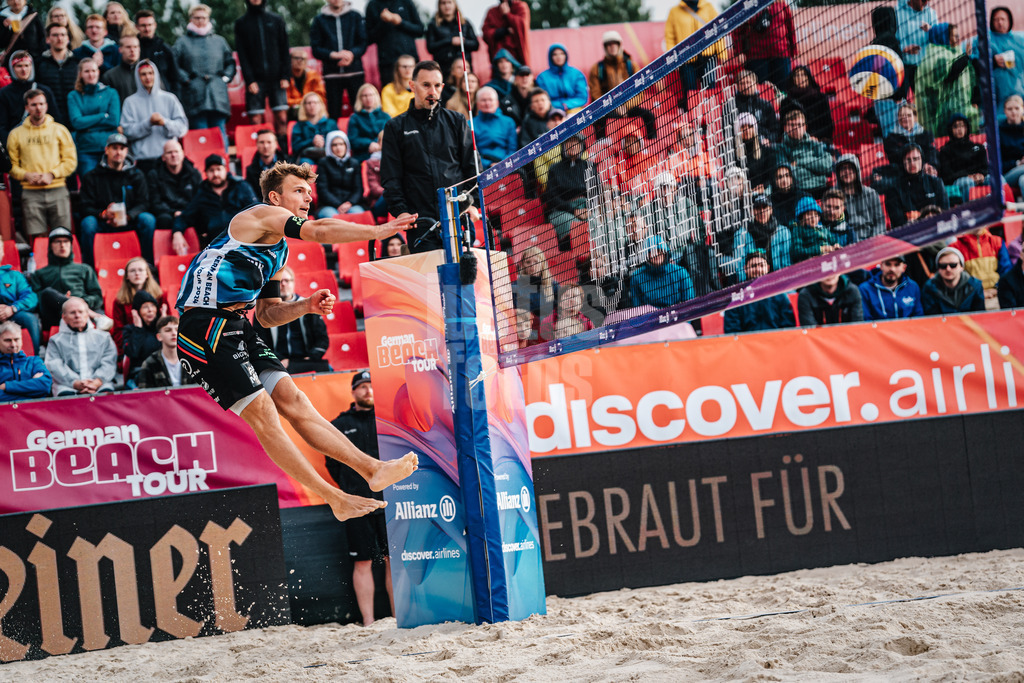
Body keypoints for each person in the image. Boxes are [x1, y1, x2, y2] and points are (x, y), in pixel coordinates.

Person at [175, 161, 419, 521]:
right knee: (264, 414)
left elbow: (267, 314)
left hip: (238, 324)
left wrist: (304, 306)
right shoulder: (259, 215)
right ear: (276, 197)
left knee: (294, 399)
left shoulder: (279, 251)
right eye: (299, 191)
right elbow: (319, 231)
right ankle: (332, 496)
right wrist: (379, 231)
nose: (308, 197)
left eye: (309, 191)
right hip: (202, 326)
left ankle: (371, 470)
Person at [380, 60, 477, 253]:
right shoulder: (395, 127)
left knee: (461, 280)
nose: (432, 91)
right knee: (430, 280)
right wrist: (401, 212)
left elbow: (473, 168)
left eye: (436, 85)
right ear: (412, 86)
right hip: (420, 222)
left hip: (457, 215)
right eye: (426, 85)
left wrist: (470, 202)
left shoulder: (457, 121)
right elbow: (391, 177)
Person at [326, 371, 393, 624]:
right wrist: (350, 488)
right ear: (353, 391)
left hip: (391, 502)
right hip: (356, 506)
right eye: (362, 386)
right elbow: (332, 465)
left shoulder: (388, 420)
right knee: (362, 563)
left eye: (371, 386)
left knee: (393, 562)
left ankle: (399, 619)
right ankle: (368, 623)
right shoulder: (339, 425)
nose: (368, 391)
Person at [7, 88, 76, 240]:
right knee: (38, 237)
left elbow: (71, 161)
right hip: (31, 192)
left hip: (57, 188)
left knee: (63, 235)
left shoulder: (60, 130)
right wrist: (25, 175)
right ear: (26, 107)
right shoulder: (16, 134)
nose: (38, 108)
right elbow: (10, 165)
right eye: (33, 105)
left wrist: (52, 174)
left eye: (41, 104)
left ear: (46, 105)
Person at [79, 132, 155, 264]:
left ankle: (148, 265)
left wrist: (129, 216)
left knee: (147, 220)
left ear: (126, 151)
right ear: (106, 150)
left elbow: (143, 203)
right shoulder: (92, 176)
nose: (118, 152)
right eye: (114, 148)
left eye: (122, 148)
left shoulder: (136, 175)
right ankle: (89, 269)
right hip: (103, 222)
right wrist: (103, 214)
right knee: (88, 223)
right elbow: (85, 206)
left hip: (129, 220)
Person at [173, 4, 236, 153]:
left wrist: (224, 79)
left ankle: (223, 167)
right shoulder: (182, 42)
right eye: (197, 18)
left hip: (217, 95)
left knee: (220, 133)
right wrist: (187, 80)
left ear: (209, 19)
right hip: (194, 95)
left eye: (203, 17)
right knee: (200, 134)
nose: (200, 21)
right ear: (191, 19)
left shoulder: (220, 41)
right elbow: (174, 65)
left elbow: (230, 63)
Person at [173, 154, 260, 250]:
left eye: (219, 169)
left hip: (243, 241)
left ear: (226, 170)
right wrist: (177, 233)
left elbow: (256, 210)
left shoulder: (241, 186)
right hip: (216, 246)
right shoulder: (202, 193)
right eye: (211, 170)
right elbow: (185, 216)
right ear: (206, 173)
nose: (215, 174)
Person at [253, 266, 331, 374]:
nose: (283, 284)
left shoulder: (309, 306)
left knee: (325, 368)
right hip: (277, 361)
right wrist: (278, 359)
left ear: (293, 283)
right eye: (279, 282)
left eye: (286, 281)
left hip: (305, 361)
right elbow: (260, 342)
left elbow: (322, 339)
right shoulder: (263, 311)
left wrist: (310, 357)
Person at [28, 227, 108, 332]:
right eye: (58, 242)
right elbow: (38, 300)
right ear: (50, 246)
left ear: (71, 245)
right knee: (47, 293)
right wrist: (62, 300)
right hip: (55, 315)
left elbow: (97, 297)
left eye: (66, 242)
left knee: (77, 307)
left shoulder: (85, 269)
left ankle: (80, 308)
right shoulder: (39, 274)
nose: (62, 245)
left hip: (81, 313)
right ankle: (92, 315)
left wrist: (82, 301)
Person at [120, 60, 188, 174]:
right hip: (143, 160)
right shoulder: (130, 102)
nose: (148, 77)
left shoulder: (170, 99)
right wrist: (148, 123)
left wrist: (165, 122)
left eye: (151, 73)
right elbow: (127, 131)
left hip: (167, 160)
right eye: (143, 74)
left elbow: (182, 128)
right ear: (138, 77)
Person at [235, 0, 290, 138]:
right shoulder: (241, 23)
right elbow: (242, 55)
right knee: (255, 120)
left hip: (277, 78)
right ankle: (258, 153)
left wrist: (285, 75)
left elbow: (285, 49)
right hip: (256, 80)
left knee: (282, 118)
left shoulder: (276, 20)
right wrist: (250, 80)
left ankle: (283, 153)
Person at [45, 296, 117, 396]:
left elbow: (109, 362)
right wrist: (75, 383)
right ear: (64, 317)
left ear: (87, 314)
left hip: (100, 384)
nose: (77, 316)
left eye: (81, 312)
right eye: (72, 313)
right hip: (68, 386)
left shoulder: (104, 337)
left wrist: (97, 382)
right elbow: (54, 365)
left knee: (107, 397)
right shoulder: (56, 341)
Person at [917, 23, 979, 135]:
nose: (958, 39)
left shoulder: (953, 52)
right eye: (954, 36)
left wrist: (974, 100)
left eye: (958, 35)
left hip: (959, 106)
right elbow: (949, 75)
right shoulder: (937, 55)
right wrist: (965, 57)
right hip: (943, 111)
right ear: (944, 37)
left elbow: (970, 78)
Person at [309, 0, 367, 120]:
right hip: (332, 75)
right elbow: (316, 49)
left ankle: (361, 138)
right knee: (333, 113)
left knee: (361, 112)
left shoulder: (355, 16)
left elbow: (363, 43)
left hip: (355, 72)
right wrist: (333, 55)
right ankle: (334, 138)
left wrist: (351, 54)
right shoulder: (319, 20)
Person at [543, 134, 597, 250]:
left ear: (582, 146)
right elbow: (552, 198)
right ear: (563, 146)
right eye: (569, 142)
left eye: (576, 142)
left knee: (599, 221)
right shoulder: (554, 169)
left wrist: (590, 209)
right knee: (572, 225)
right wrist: (573, 210)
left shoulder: (589, 166)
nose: (572, 145)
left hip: (587, 207)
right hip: (562, 209)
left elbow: (595, 192)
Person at [67, 58, 120, 176]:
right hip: (86, 149)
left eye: (93, 71)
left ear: (98, 72)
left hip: (108, 148)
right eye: (87, 71)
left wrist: (88, 126)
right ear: (80, 74)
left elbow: (114, 121)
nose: (91, 74)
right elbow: (76, 122)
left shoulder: (111, 93)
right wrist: (102, 116)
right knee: (89, 185)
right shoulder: (74, 96)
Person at [723, 251, 796, 332]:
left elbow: (789, 326)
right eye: (753, 266)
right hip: (747, 344)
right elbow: (732, 332)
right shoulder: (737, 300)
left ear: (768, 268)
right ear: (745, 269)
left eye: (761, 265)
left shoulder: (779, 295)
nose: (757, 269)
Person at [665, 0, 724, 98]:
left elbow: (718, 30)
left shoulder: (709, 7)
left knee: (710, 89)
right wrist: (673, 61)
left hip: (708, 56)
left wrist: (722, 54)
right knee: (690, 92)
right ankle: (693, 112)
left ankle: (711, 112)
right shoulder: (674, 12)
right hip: (686, 58)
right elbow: (670, 37)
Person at [0, 52, 62, 143]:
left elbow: (56, 119)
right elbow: (2, 125)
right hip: (18, 142)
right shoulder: (4, 93)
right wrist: (9, 145)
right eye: (19, 66)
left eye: (27, 65)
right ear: (12, 69)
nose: (24, 70)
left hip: (44, 141)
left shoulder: (45, 91)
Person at [734, 1, 797, 88]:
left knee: (784, 87)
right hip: (756, 56)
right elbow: (737, 31)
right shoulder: (748, 4)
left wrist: (794, 49)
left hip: (781, 53)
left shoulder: (781, 4)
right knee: (761, 89)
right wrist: (739, 52)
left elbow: (790, 27)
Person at [111, 255, 165, 355]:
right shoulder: (120, 301)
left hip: (157, 343)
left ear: (147, 274)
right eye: (132, 271)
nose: (137, 273)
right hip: (134, 344)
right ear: (127, 276)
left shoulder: (160, 296)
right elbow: (118, 332)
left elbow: (168, 322)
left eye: (140, 270)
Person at [886, 143, 949, 228]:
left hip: (937, 228)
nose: (912, 163)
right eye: (908, 160)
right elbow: (898, 222)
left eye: (915, 159)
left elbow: (945, 212)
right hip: (910, 234)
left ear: (922, 160)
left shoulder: (936, 182)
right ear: (902, 162)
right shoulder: (893, 189)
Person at [149, 139, 203, 233]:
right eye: (169, 152)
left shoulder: (194, 174)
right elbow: (155, 202)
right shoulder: (154, 175)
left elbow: (199, 199)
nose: (173, 155)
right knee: (163, 219)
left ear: (182, 154)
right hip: (168, 213)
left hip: (190, 212)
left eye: (176, 152)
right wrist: (174, 212)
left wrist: (186, 212)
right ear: (163, 157)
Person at [365, 0, 423, 86]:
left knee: (413, 93)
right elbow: (369, 38)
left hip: (409, 61)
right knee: (389, 93)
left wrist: (400, 22)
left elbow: (420, 30)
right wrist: (383, 22)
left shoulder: (407, 2)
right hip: (387, 63)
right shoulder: (372, 5)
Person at [777, 108, 832, 198]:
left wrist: (799, 162)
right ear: (785, 128)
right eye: (792, 125)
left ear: (805, 127)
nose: (796, 128)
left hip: (821, 190)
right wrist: (816, 170)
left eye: (799, 125)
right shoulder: (781, 148)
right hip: (796, 193)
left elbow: (827, 166)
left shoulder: (814, 144)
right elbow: (790, 175)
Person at [628, 236, 695, 309]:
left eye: (659, 250)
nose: (656, 255)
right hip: (651, 319)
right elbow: (637, 309)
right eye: (652, 252)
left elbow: (689, 304)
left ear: (665, 252)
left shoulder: (680, 272)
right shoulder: (637, 278)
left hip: (678, 318)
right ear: (647, 255)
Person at [0, 234, 40, 352]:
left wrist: (12, 309)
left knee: (29, 319)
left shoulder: (14, 275)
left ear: (2, 252)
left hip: (12, 314)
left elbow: (31, 297)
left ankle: (34, 361)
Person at [735, 192, 791, 276]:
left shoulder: (783, 232)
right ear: (752, 211)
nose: (762, 211)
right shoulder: (741, 234)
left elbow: (786, 263)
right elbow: (739, 266)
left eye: (765, 207)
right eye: (757, 208)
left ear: (771, 209)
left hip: (778, 280)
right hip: (751, 281)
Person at [939, 113, 990, 203]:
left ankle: (1002, 206)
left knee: (995, 178)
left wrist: (982, 174)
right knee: (966, 182)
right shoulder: (945, 151)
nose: (960, 129)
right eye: (956, 127)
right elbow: (947, 176)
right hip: (959, 181)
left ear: (967, 128)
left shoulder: (978, 147)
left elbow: (985, 167)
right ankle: (968, 210)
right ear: (950, 129)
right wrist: (968, 176)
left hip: (978, 177)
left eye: (963, 126)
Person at [951, 228, 1012, 302]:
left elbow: (1006, 271)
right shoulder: (955, 247)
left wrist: (999, 289)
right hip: (970, 297)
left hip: (997, 293)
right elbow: (954, 278)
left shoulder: (997, 242)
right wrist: (978, 292)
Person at [834, 154, 886, 241]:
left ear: (857, 170)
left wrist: (873, 241)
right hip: (846, 241)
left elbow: (880, 223)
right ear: (838, 173)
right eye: (843, 169)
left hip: (871, 240)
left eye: (850, 168)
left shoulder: (871, 193)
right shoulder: (834, 196)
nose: (847, 172)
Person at [922, 245, 986, 314]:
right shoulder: (929, 287)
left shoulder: (975, 285)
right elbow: (932, 317)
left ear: (961, 267)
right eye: (943, 266)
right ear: (938, 269)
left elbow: (980, 315)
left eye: (953, 265)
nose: (948, 269)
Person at [136, 315, 195, 389]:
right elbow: (145, 395)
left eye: (177, 329)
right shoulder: (150, 363)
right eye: (168, 330)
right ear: (159, 337)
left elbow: (202, 392)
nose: (174, 333)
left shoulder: (193, 361)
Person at [35, 22, 76, 126]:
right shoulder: (39, 64)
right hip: (49, 122)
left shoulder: (77, 63)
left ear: (68, 38)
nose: (59, 38)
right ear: (48, 39)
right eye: (55, 35)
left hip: (75, 121)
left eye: (63, 35)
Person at [859, 255, 924, 320]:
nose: (892, 269)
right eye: (888, 264)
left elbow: (918, 316)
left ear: (904, 268)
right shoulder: (865, 289)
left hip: (907, 329)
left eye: (896, 265)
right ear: (881, 266)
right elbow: (865, 320)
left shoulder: (912, 287)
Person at [0, 320, 51, 402]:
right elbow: (40, 392)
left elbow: (45, 386)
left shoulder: (34, 361)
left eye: (16, 339)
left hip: (33, 412)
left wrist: (6, 386)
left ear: (21, 340)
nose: (13, 345)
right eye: (8, 340)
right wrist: (32, 388)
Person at [426, 0, 479, 79]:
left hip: (464, 67)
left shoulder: (465, 23)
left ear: (455, 4)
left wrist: (463, 42)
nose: (447, 6)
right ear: (439, 6)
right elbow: (430, 47)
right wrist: (450, 41)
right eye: (443, 3)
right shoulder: (433, 25)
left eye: (449, 2)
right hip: (444, 68)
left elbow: (476, 45)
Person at [780, 68, 832, 145]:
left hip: (818, 141)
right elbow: (782, 127)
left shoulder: (821, 98)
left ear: (808, 78)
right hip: (793, 142)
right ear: (793, 79)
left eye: (803, 75)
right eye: (797, 75)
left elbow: (828, 125)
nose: (800, 78)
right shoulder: (786, 102)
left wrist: (815, 137)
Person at [135, 10, 181, 99]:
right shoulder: (132, 47)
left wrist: (175, 99)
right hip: (138, 96)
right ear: (137, 27)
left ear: (155, 25)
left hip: (163, 96)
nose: (147, 29)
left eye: (150, 25)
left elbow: (175, 78)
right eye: (143, 25)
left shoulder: (165, 49)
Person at [317, 131, 365, 216]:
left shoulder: (354, 163)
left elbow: (358, 189)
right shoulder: (323, 163)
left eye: (341, 144)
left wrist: (349, 203)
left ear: (346, 145)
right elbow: (323, 190)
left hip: (351, 205)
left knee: (359, 215)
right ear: (329, 146)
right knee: (332, 218)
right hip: (329, 206)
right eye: (334, 145)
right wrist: (338, 204)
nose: (338, 147)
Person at [989, 7, 1024, 123]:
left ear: (1009, 21)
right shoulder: (986, 41)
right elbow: (976, 63)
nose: (1000, 22)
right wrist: (992, 61)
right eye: (996, 20)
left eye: (1003, 19)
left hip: (1019, 91)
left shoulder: (1019, 41)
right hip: (998, 94)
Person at [896, 0, 939, 93]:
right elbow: (891, 40)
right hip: (902, 66)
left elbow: (939, 40)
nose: (926, 2)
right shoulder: (897, 13)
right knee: (900, 99)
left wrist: (931, 30)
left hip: (925, 67)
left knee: (926, 102)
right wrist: (903, 49)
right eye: (923, 0)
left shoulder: (931, 13)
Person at [882, 103, 939, 171]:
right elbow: (894, 157)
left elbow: (931, 152)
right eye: (902, 115)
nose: (905, 118)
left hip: (924, 169)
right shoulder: (891, 137)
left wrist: (928, 165)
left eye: (909, 115)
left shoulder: (926, 134)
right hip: (903, 171)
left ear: (914, 117)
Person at [122, 289, 163, 381]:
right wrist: (138, 329)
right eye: (145, 307)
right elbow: (132, 352)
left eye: (153, 306)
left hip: (162, 371)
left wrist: (163, 327)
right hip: (140, 372)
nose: (150, 310)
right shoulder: (129, 330)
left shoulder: (160, 329)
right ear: (137, 311)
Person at [535, 44, 588, 114]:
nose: (559, 57)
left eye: (562, 54)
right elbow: (542, 100)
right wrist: (558, 106)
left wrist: (566, 105)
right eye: (555, 54)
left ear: (566, 56)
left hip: (574, 110)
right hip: (552, 111)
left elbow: (582, 97)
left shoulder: (577, 74)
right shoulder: (542, 77)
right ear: (550, 57)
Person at [512, 246, 558, 324]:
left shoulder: (554, 286)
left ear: (542, 264)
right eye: (528, 262)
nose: (532, 265)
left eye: (536, 262)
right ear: (523, 265)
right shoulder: (515, 287)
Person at [473, 85, 516, 169]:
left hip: (506, 165)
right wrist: (488, 164)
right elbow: (471, 153)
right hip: (481, 167)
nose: (487, 103)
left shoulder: (508, 122)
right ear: (477, 104)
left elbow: (512, 149)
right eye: (483, 100)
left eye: (490, 100)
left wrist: (502, 164)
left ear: (497, 103)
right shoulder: (470, 124)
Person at [797, 274, 864, 325]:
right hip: (817, 342)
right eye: (824, 269)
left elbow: (857, 326)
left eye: (833, 268)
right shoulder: (806, 295)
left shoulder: (852, 291)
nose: (829, 274)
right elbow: (809, 329)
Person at [734, 70, 779, 142]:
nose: (746, 86)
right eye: (742, 83)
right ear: (737, 86)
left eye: (748, 82)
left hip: (763, 142)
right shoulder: (732, 106)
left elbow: (775, 129)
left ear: (755, 84)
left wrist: (769, 140)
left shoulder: (765, 104)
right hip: (740, 143)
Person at [482, 0, 530, 68]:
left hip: (517, 57)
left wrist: (508, 14)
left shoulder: (520, 7)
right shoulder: (492, 12)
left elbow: (523, 26)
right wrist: (503, 31)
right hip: (499, 57)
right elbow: (486, 33)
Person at [347, 83, 389, 162]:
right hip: (362, 155)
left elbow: (391, 137)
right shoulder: (355, 118)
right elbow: (352, 140)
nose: (368, 98)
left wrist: (379, 145)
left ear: (376, 96)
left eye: (371, 95)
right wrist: (369, 144)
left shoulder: (385, 116)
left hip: (384, 155)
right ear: (360, 98)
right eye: (365, 95)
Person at [791, 196, 839, 263]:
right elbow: (797, 252)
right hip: (811, 264)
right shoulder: (798, 230)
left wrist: (836, 245)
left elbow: (833, 240)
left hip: (830, 261)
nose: (813, 218)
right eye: (809, 215)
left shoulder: (823, 228)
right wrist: (820, 249)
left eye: (816, 215)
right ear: (801, 217)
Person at [292, 91, 337, 163]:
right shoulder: (299, 126)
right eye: (309, 103)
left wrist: (323, 142)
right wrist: (312, 141)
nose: (312, 105)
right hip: (306, 157)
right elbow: (296, 147)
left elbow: (338, 142)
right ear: (304, 106)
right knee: (305, 163)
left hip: (327, 156)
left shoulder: (331, 123)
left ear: (321, 105)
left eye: (315, 102)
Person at [0, 0, 44, 73]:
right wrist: (5, 28)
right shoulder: (2, 17)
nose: (16, 1)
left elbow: (42, 37)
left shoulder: (33, 15)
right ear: (7, 1)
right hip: (11, 62)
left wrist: (40, 56)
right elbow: (1, 43)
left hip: (33, 61)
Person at [735, 112, 774, 192]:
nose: (747, 130)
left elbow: (770, 174)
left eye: (750, 126)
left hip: (762, 191)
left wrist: (763, 186)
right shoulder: (733, 154)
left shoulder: (764, 149)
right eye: (743, 127)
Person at [286, 48, 327, 122]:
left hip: (311, 105)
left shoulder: (313, 75)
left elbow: (321, 96)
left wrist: (309, 102)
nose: (300, 61)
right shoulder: (285, 78)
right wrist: (304, 102)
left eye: (303, 58)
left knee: (317, 108)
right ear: (290, 60)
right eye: (296, 58)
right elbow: (286, 101)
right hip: (294, 109)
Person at [245, 129, 288, 196]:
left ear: (276, 144)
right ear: (257, 144)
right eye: (262, 142)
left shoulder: (288, 166)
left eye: (269, 142)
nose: (265, 146)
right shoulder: (250, 170)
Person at [101, 34, 140, 102]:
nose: (132, 50)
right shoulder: (110, 76)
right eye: (128, 47)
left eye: (135, 47)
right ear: (120, 49)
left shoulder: (148, 73)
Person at [999, 94, 1024, 197]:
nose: (1014, 112)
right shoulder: (998, 132)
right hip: (1007, 175)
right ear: (1005, 111)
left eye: (1017, 108)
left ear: (1022, 109)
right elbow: (998, 165)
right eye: (1010, 109)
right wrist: (1017, 163)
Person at [769, 162, 804, 227]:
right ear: (775, 181)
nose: (784, 180)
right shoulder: (770, 201)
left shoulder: (802, 196)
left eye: (787, 175)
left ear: (791, 178)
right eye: (780, 177)